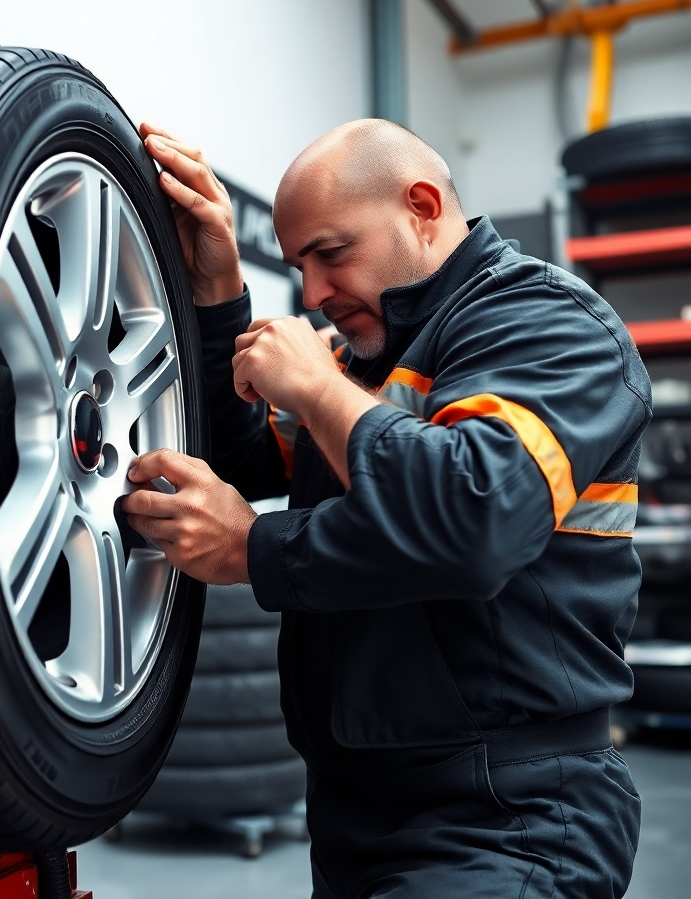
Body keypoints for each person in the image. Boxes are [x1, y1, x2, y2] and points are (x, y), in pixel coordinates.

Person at [120, 118, 649, 898]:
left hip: (508, 817)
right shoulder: (368, 357)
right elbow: (237, 460)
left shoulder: (549, 322)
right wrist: (217, 292)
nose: (313, 294)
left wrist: (256, 540)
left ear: (424, 207)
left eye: (331, 254)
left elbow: (475, 518)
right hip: (353, 814)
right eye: (300, 265)